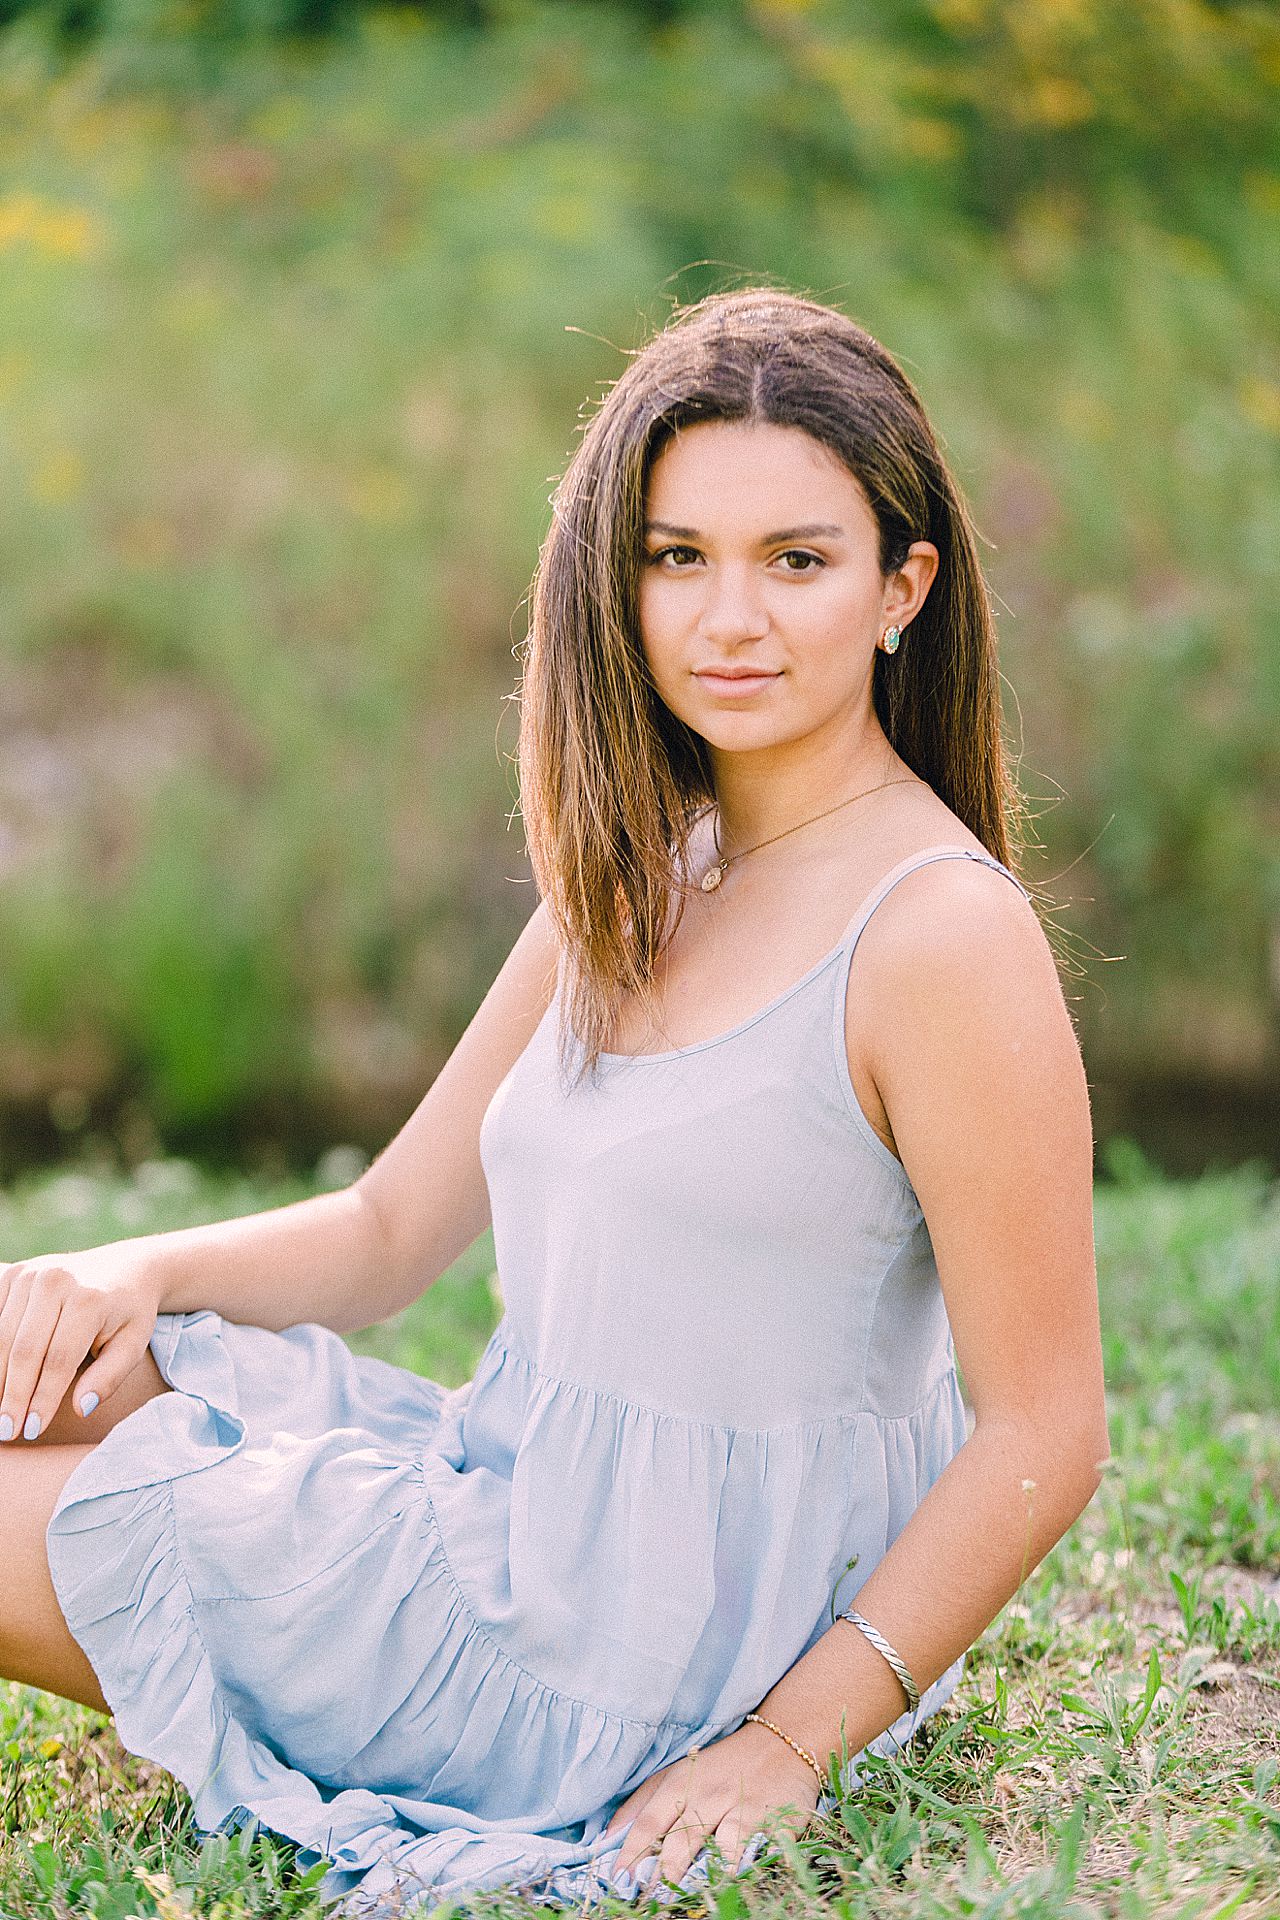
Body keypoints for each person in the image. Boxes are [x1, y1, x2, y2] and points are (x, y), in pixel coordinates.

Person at [1, 287, 1108, 1917]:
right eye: (678, 558)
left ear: (902, 588)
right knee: (31, 1358)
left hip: (620, 1659)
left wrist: (791, 1746)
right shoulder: (652, 866)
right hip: (503, 1500)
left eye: (795, 560)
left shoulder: (940, 934)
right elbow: (387, 1232)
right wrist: (131, 1274)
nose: (730, 617)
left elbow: (1049, 1428)